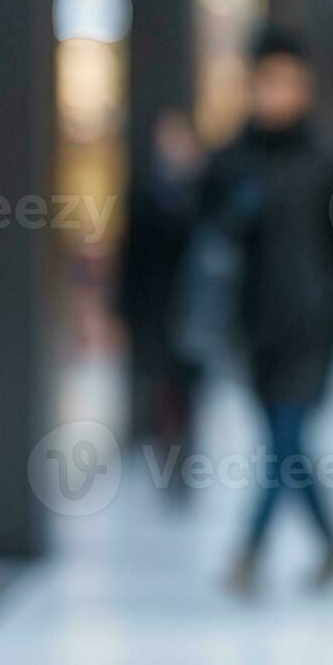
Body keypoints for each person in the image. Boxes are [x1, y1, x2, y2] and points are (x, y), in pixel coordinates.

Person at [207, 27, 333, 594]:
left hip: (311, 327)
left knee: (284, 440)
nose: (280, 94)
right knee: (284, 443)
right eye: (270, 82)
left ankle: (249, 552)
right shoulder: (232, 159)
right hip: (252, 327)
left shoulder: (327, 157)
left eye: (290, 83)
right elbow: (208, 234)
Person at [116, 109, 204, 506]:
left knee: (187, 391)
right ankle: (168, 462)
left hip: (194, 309)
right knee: (162, 388)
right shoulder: (144, 191)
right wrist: (124, 305)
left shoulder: (203, 189)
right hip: (155, 308)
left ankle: (184, 461)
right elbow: (130, 253)